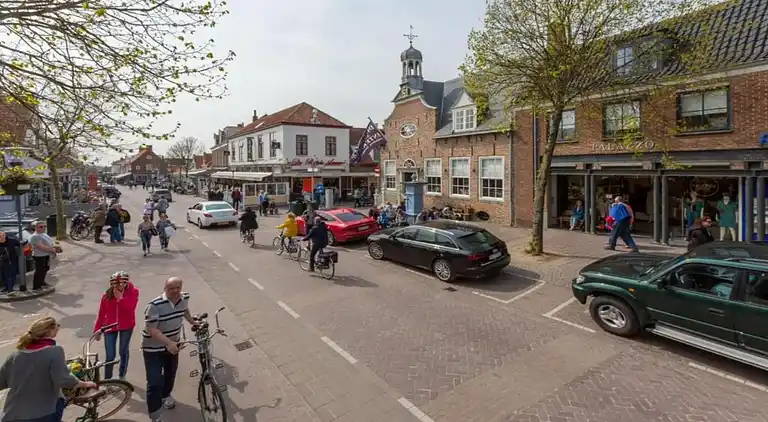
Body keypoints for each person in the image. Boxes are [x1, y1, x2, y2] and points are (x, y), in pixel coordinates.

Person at [0, 317, 97, 422]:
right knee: (61, 400)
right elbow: (63, 380)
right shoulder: (55, 352)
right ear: (50, 332)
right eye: (57, 327)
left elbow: (2, 381)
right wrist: (85, 384)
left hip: (12, 414)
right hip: (43, 413)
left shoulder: (14, 355)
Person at [142, 277, 198, 422]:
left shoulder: (183, 298)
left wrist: (192, 321)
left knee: (170, 374)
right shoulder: (154, 305)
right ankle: (155, 415)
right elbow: (152, 330)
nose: (175, 291)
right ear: (165, 288)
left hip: (173, 346)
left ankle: (166, 395)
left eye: (178, 287)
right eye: (172, 288)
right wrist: (169, 343)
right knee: (154, 382)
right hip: (153, 349)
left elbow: (184, 310)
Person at [93, 271, 139, 380]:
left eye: (123, 283)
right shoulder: (106, 296)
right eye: (117, 284)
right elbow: (101, 314)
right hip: (109, 326)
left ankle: (122, 375)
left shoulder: (134, 292)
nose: (120, 286)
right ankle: (108, 379)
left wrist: (120, 299)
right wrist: (97, 329)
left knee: (123, 351)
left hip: (126, 325)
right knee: (110, 355)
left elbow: (130, 309)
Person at [29, 222, 56, 290]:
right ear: (36, 228)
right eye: (41, 227)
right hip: (39, 256)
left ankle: (42, 282)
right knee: (39, 271)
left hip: (46, 255)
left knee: (45, 269)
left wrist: (53, 247)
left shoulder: (43, 234)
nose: (43, 228)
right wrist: (53, 249)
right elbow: (42, 247)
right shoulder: (35, 236)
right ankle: (36, 287)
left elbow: (49, 242)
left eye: (44, 226)